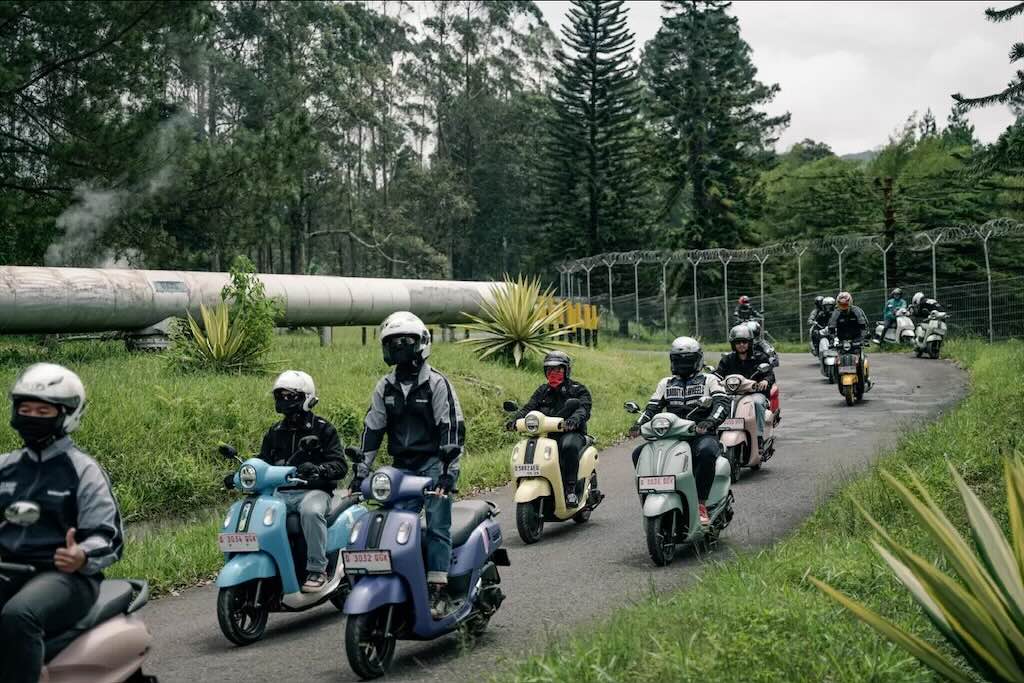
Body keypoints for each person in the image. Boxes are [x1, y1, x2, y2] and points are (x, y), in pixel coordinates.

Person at [0, 363, 124, 683]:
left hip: (65, 577)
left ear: (67, 414)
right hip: (8, 569)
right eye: (25, 409)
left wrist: (81, 555)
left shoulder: (82, 471)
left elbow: (108, 536)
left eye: (43, 411)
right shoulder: (5, 468)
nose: (32, 416)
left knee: (18, 616)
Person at [354, 311, 465, 619]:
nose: (399, 347)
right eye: (392, 342)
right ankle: (397, 578)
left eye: (405, 341)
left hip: (434, 465)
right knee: (390, 521)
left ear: (421, 343)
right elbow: (372, 430)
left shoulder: (436, 383)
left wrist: (448, 473)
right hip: (400, 468)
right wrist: (361, 472)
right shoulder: (385, 387)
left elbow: (451, 429)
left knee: (437, 521)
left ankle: (438, 587)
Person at [225, 370, 347, 592]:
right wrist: (241, 474)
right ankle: (273, 567)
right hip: (279, 494)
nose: (284, 400)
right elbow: (263, 461)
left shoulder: (323, 428)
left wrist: (319, 470)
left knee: (311, 512)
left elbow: (339, 465)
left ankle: (317, 569)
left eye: (290, 396)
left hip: (313, 492)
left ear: (306, 397)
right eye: (280, 396)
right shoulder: (275, 431)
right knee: (255, 514)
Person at [628, 337, 729, 528]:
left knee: (706, 452)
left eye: (687, 360)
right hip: (671, 437)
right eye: (678, 360)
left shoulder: (710, 380)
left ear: (697, 360)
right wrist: (638, 424)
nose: (682, 364)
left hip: (700, 435)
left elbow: (722, 404)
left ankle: (701, 503)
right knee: (639, 454)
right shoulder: (666, 383)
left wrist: (710, 421)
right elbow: (652, 408)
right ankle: (651, 495)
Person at [506, 351, 592, 507]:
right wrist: (514, 420)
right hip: (545, 434)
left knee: (568, 446)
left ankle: (571, 490)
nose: (554, 373)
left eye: (558, 370)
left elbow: (583, 409)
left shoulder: (578, 389)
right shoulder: (542, 391)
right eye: (550, 370)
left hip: (570, 432)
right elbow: (528, 408)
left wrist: (573, 421)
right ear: (545, 372)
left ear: (566, 371)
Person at [715, 325, 775, 451]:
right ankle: (715, 435)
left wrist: (765, 380)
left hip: (754, 393)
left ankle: (758, 437)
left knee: (757, 403)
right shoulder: (727, 359)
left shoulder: (760, 357)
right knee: (719, 402)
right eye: (738, 342)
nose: (741, 345)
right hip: (732, 394)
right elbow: (718, 374)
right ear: (733, 344)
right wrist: (713, 379)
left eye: (744, 342)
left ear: (750, 343)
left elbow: (769, 374)